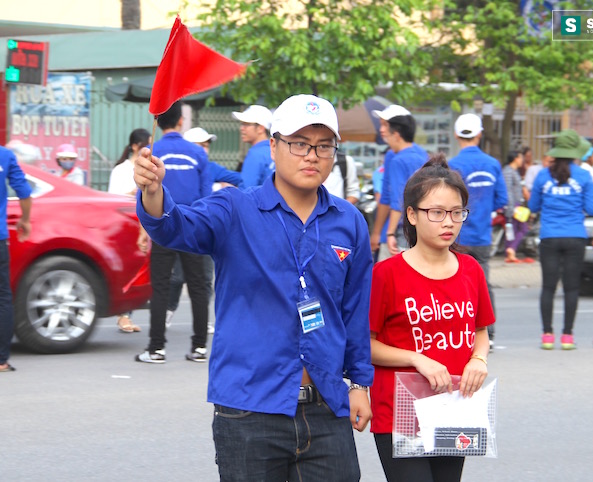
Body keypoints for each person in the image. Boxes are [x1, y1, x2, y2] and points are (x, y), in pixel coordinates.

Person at [134, 94, 373, 480]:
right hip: (249, 410)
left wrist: (360, 382)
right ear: (274, 146)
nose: (311, 155)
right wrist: (153, 192)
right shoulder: (233, 209)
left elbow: (355, 310)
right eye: (299, 143)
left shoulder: (349, 222)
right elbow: (175, 226)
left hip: (326, 408)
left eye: (323, 145)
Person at [369, 155, 494, 482]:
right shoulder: (386, 274)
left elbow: (480, 331)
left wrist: (478, 359)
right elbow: (364, 346)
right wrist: (417, 359)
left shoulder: (471, 270)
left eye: (457, 212)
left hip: (454, 407)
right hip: (401, 414)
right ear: (411, 214)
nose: (448, 222)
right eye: (436, 213)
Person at [134, 101, 211, 364]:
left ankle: (156, 349)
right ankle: (200, 347)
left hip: (162, 227)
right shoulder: (198, 153)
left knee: (160, 287)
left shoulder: (152, 151)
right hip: (193, 227)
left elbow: (144, 192)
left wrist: (144, 229)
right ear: (181, 121)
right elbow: (206, 196)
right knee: (199, 287)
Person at [167, 126, 243, 334]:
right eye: (200, 145)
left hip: (208, 228)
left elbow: (240, 180)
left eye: (207, 145)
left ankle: (202, 323)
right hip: (182, 226)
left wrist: (225, 191)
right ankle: (169, 310)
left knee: (206, 277)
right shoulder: (179, 167)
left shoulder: (212, 167)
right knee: (177, 276)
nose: (205, 149)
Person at [528, 129, 593, 350]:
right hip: (575, 237)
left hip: (549, 236)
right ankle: (567, 336)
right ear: (575, 152)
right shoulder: (584, 176)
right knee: (571, 288)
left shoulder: (542, 175)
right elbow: (592, 208)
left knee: (548, 287)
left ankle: (547, 336)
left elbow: (533, 207)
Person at [448, 113, 507, 348]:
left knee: (454, 284)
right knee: (483, 282)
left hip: (456, 234)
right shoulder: (492, 164)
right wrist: (483, 210)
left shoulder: (453, 165)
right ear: (480, 134)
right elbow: (502, 198)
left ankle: (458, 334)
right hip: (482, 234)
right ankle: (488, 335)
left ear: (456, 135)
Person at [369, 105, 428, 260]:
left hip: (397, 232)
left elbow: (394, 200)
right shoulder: (421, 154)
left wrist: (386, 233)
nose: (381, 130)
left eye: (384, 125)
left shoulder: (397, 159)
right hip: (421, 230)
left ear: (396, 132)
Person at [108, 127, 152, 333]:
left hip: (143, 224)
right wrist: (133, 192)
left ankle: (129, 312)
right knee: (127, 269)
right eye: (146, 144)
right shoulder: (121, 170)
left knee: (140, 269)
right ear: (135, 146)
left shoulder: (149, 167)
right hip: (125, 224)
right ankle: (123, 315)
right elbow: (112, 198)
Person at [0, 145, 32, 373]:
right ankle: (1, 360)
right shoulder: (5, 155)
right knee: (3, 298)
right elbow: (24, 192)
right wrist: (25, 220)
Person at [232, 104, 274, 187]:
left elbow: (247, 190)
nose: (242, 128)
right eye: (242, 124)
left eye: (246, 124)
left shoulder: (256, 154)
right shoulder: (275, 151)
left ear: (260, 128)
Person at [502, 150, 533, 264]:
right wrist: (511, 207)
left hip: (516, 204)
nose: (522, 160)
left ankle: (510, 252)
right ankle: (511, 249)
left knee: (513, 229)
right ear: (515, 158)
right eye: (521, 158)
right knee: (522, 228)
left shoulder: (514, 171)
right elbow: (508, 190)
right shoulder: (508, 172)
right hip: (513, 205)